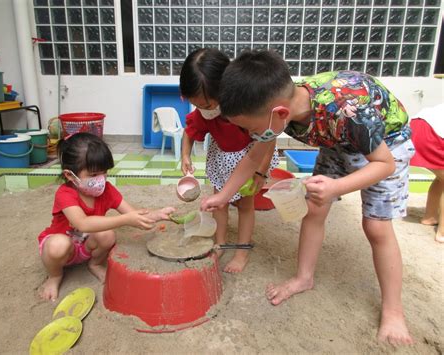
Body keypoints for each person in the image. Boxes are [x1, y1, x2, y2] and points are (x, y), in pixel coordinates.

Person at [201, 50, 415, 345]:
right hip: (336, 141)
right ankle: (304, 277)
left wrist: (336, 187)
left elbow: (384, 165)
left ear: (280, 114)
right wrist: (224, 196)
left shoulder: (346, 111)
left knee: (376, 227)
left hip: (386, 144)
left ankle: (393, 312)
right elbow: (253, 158)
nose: (249, 134)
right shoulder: (280, 108)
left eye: (250, 128)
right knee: (315, 208)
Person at [38, 132, 174, 301]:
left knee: (108, 234)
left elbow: (131, 213)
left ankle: (94, 264)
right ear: (69, 175)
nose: (101, 180)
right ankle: (55, 276)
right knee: (58, 245)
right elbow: (82, 223)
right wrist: (125, 220)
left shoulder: (107, 190)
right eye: (93, 175)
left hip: (86, 245)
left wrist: (157, 214)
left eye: (104, 173)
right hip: (63, 247)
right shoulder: (65, 193)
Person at [180, 48, 279, 273]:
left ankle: (242, 251)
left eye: (206, 105)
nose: (202, 110)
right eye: (197, 105)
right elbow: (190, 131)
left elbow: (269, 139)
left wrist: (260, 173)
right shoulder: (204, 112)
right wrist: (185, 155)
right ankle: (220, 243)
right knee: (219, 203)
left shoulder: (246, 109)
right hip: (221, 159)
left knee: (245, 205)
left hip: (249, 158)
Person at [410, 103, 444, 242]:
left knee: (442, 178)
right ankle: (442, 233)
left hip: (418, 124)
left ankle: (430, 216)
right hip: (433, 132)